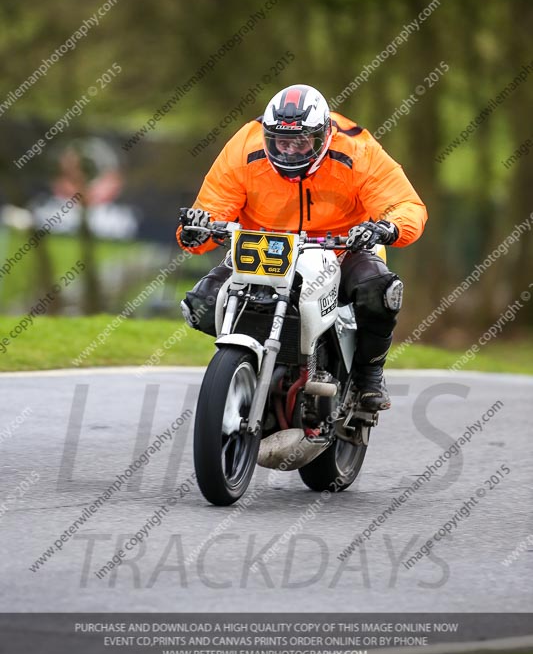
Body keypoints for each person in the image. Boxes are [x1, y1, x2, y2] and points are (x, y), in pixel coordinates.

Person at [176, 84, 427, 412]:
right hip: (264, 247)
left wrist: (386, 227)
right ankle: (248, 363)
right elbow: (211, 209)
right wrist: (197, 232)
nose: (290, 152)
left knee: (379, 291)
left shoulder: (357, 149)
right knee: (200, 307)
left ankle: (369, 373)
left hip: (341, 246)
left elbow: (405, 204)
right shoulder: (244, 147)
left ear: (324, 136)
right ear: (267, 135)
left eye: (301, 142)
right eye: (281, 141)